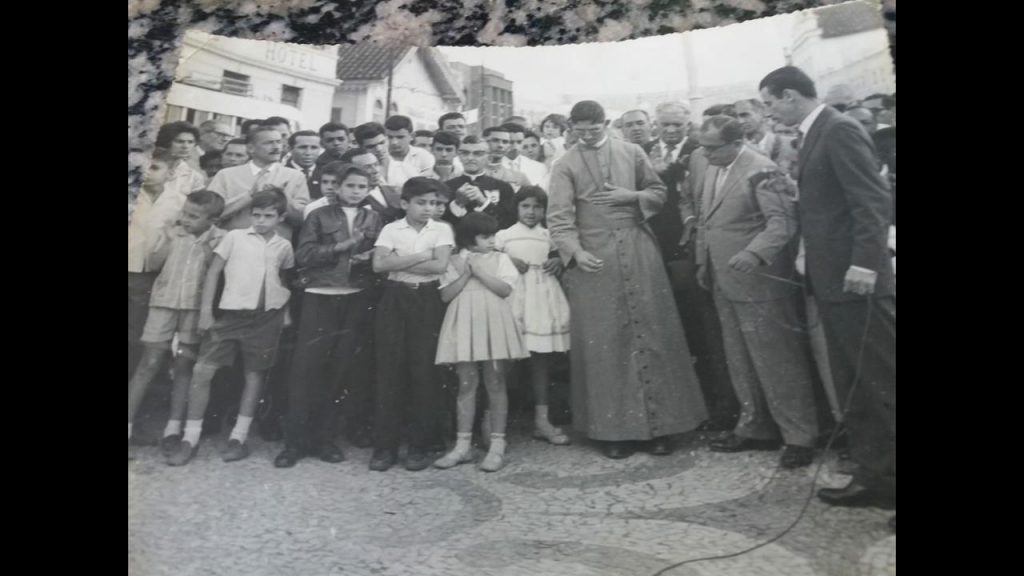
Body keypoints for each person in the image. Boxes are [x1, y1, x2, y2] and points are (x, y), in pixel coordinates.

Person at [759, 66, 895, 514]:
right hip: (832, 281)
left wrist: (864, 264)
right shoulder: (814, 133)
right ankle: (876, 478)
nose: (769, 112)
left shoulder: (838, 129)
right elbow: (833, 200)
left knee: (883, 384)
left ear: (792, 95)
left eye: (771, 102)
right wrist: (795, 191)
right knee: (855, 387)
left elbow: (872, 201)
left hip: (856, 281)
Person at [547, 100, 707, 459]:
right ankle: (612, 431)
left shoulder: (632, 151)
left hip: (638, 250)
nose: (588, 136)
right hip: (594, 256)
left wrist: (631, 196)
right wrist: (574, 251)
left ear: (607, 123)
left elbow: (658, 193)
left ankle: (662, 427)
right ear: (572, 127)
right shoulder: (565, 164)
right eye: (581, 130)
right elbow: (558, 217)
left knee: (652, 332)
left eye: (595, 129)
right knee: (606, 342)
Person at [167, 188, 296, 466]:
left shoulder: (284, 245)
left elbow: (283, 279)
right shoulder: (234, 238)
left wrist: (283, 313)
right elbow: (213, 273)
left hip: (265, 319)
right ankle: (190, 437)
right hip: (229, 316)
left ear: (280, 217)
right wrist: (205, 312)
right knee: (202, 371)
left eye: (268, 216)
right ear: (250, 214)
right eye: (257, 215)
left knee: (254, 375)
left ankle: (239, 437)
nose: (261, 221)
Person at [128, 191, 226, 459]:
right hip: (163, 303)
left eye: (193, 216)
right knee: (148, 363)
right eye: (185, 213)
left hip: (193, 308)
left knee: (184, 365)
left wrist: (202, 242)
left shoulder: (219, 238)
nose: (185, 219)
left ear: (213, 220)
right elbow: (155, 263)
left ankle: (173, 430)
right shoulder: (174, 232)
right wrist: (168, 239)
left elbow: (214, 269)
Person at [369, 177, 454, 472]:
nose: (428, 208)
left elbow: (439, 266)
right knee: (389, 371)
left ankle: (419, 446)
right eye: (421, 202)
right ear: (405, 203)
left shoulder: (442, 229)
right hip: (394, 299)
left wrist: (400, 259)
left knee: (424, 372)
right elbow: (379, 265)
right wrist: (420, 256)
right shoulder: (392, 229)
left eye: (434, 203)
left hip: (427, 300)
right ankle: (384, 448)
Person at [433, 213, 529, 472]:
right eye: (485, 236)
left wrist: (480, 271)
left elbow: (504, 290)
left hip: (493, 320)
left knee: (495, 381)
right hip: (464, 321)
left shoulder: (501, 259)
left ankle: (497, 445)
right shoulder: (454, 261)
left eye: (493, 236)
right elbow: (445, 295)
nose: (492, 241)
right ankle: (462, 446)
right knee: (466, 383)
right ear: (468, 239)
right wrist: (466, 273)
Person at [495, 187, 571, 445]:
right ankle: (495, 424)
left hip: (542, 298)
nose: (531, 212)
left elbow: (563, 255)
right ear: (516, 208)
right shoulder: (504, 236)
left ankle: (541, 420)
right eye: (525, 206)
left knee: (540, 359)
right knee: (505, 359)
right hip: (514, 297)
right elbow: (489, 256)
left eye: (537, 207)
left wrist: (559, 260)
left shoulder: (549, 235)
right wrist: (506, 259)